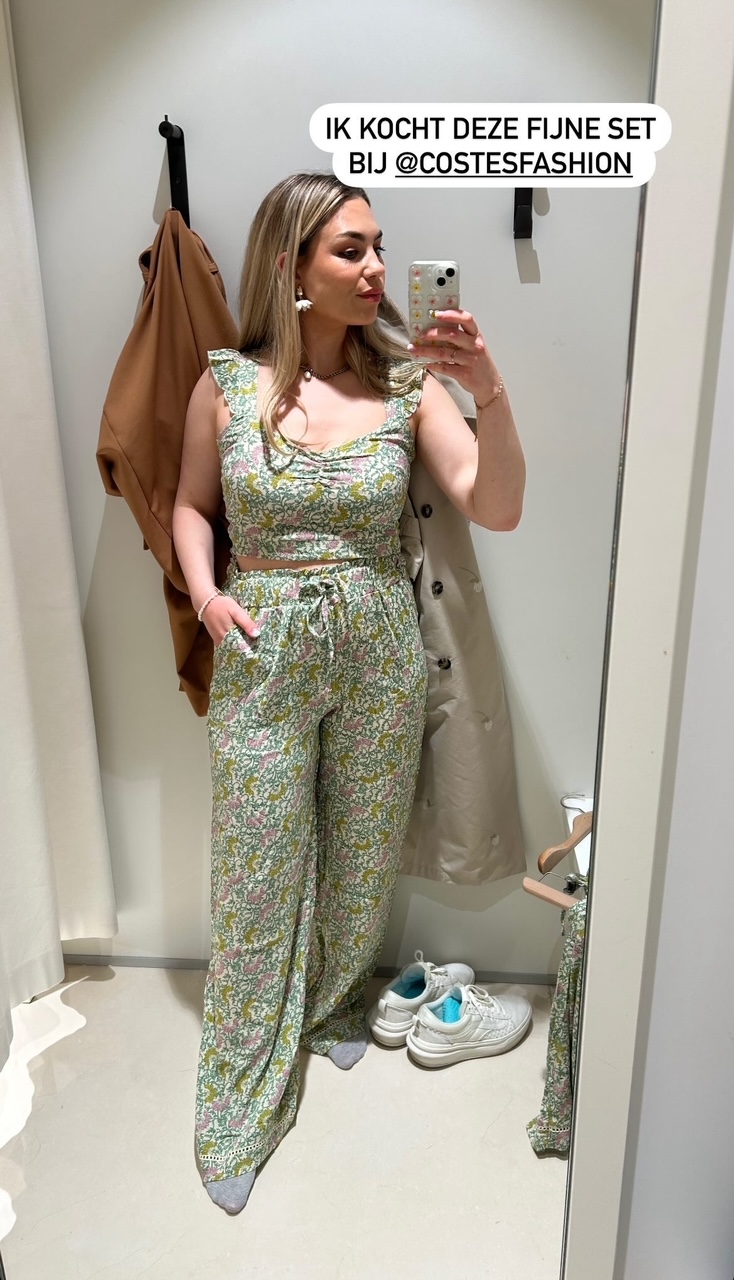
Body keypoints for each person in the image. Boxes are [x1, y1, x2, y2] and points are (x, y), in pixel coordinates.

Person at [172, 172, 526, 1214]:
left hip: (379, 647)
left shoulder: (409, 389)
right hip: (263, 650)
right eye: (350, 250)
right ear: (289, 262)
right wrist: (206, 594)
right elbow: (190, 507)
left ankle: (331, 1006)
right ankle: (238, 1099)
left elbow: (496, 506)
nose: (376, 268)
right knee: (255, 878)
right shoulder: (225, 385)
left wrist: (489, 392)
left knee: (361, 859)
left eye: (378, 247)